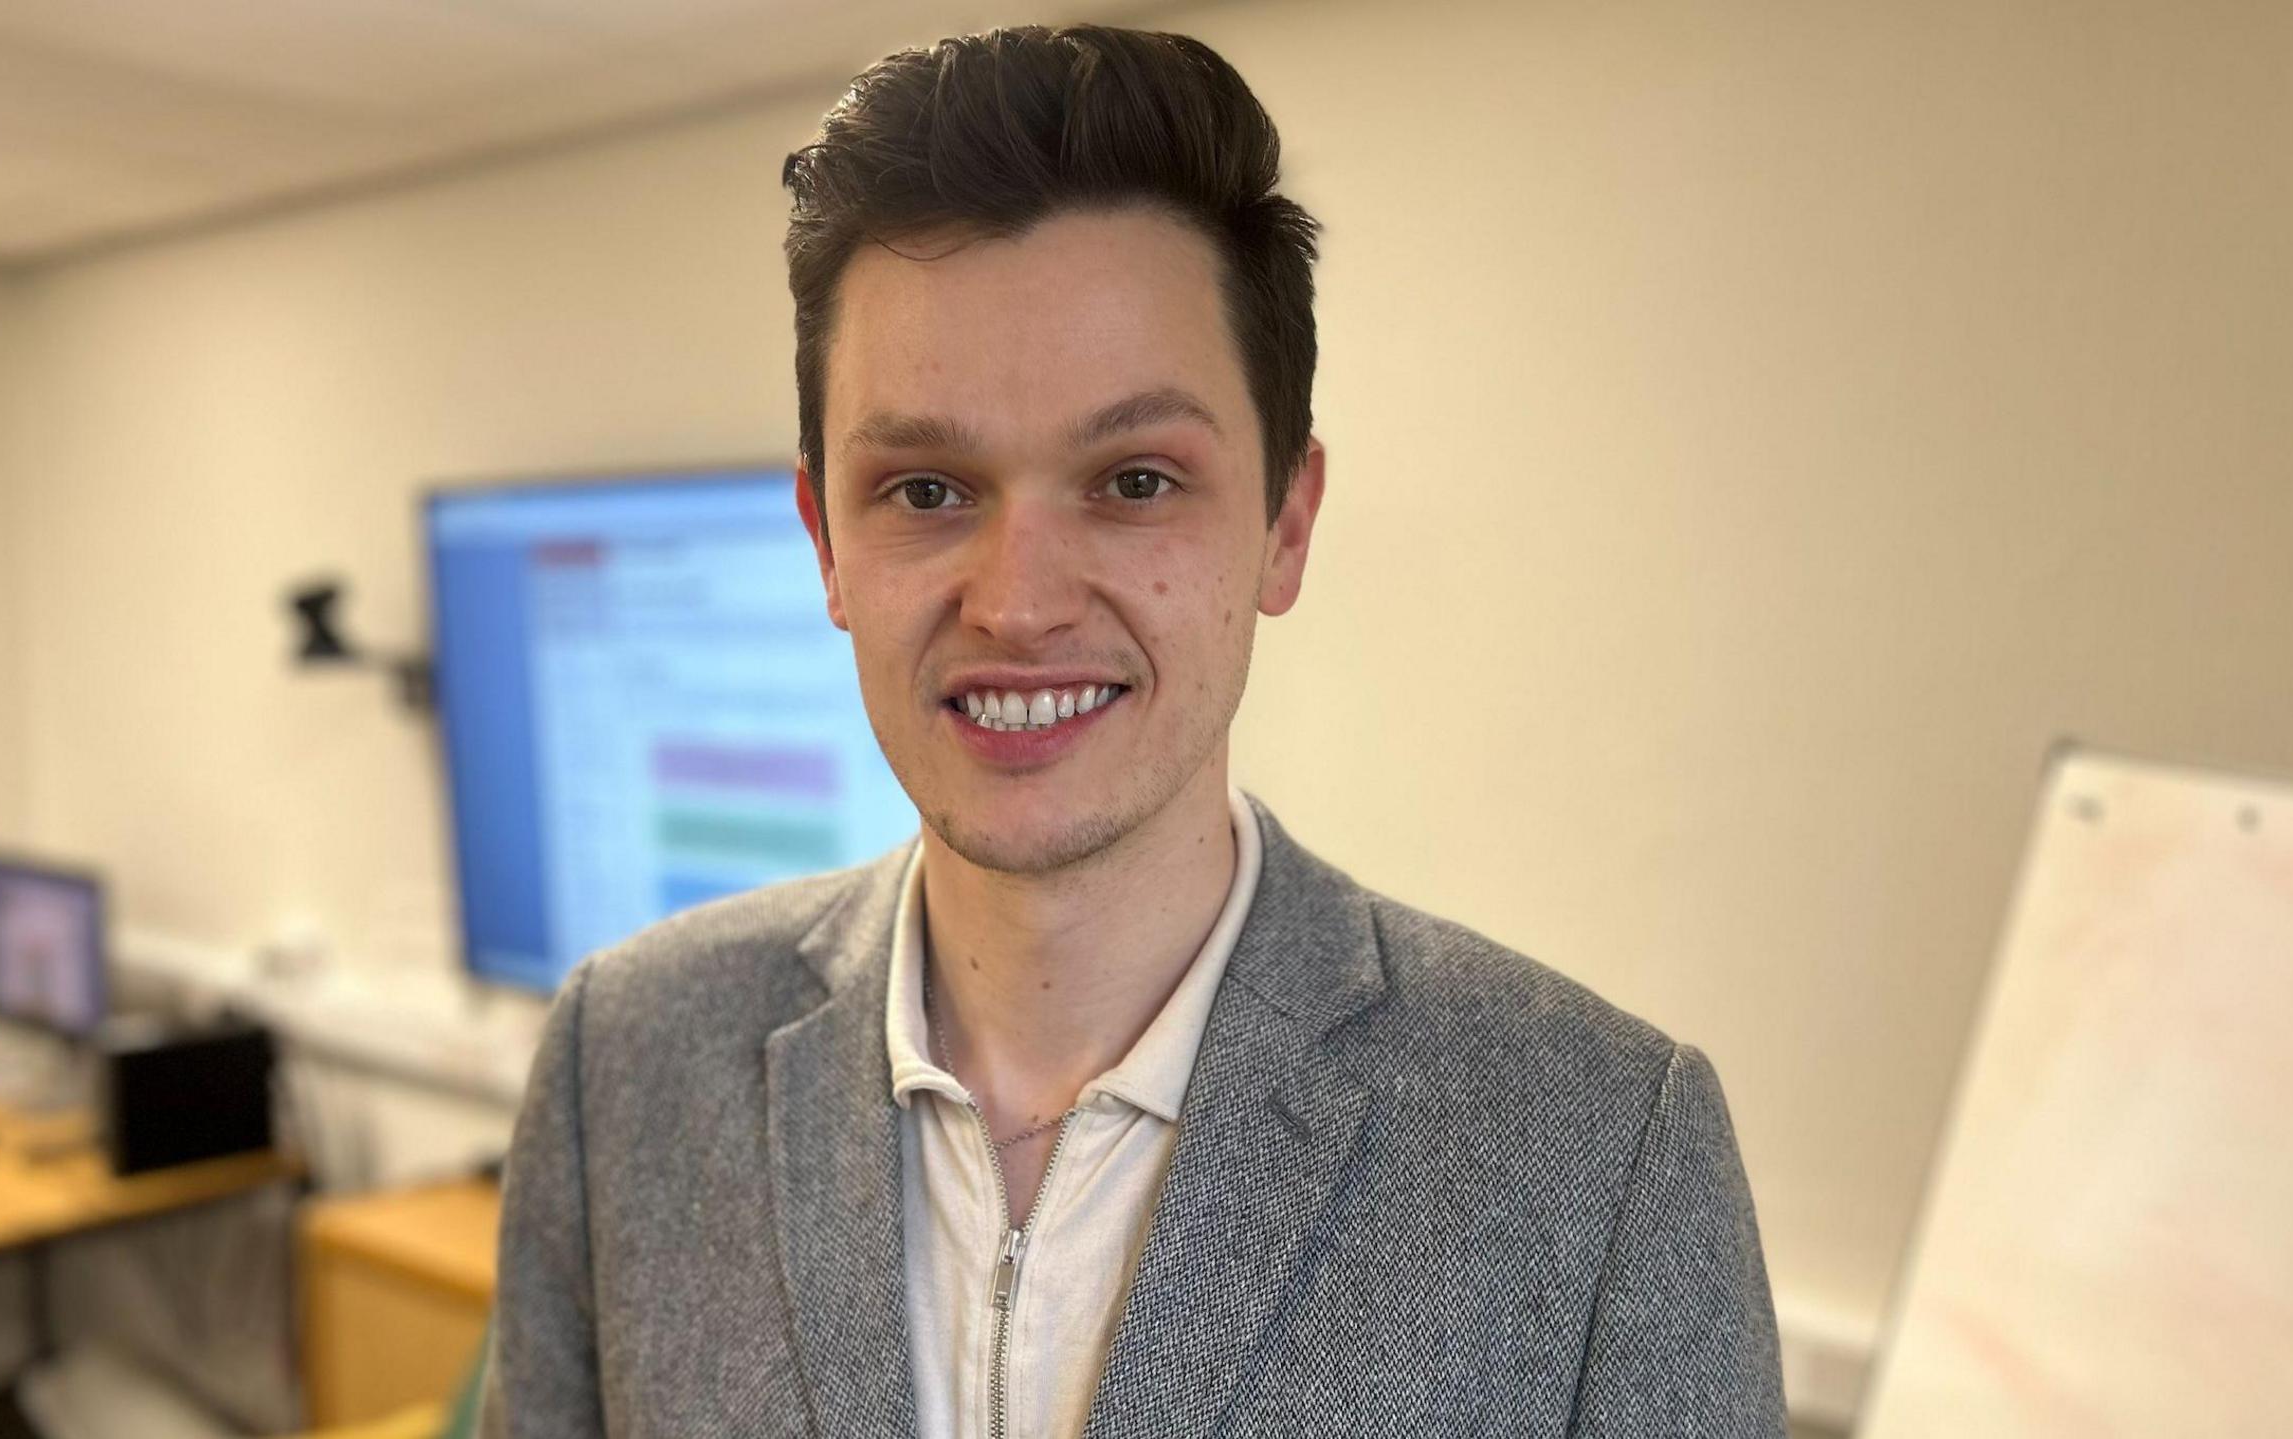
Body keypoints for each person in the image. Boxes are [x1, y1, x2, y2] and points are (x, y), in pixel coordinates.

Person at [479, 23, 1783, 1438]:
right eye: (925, 490)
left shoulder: (1597, 1152)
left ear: (1286, 525)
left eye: (1137, 479)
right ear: (825, 545)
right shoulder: (630, 1064)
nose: (1021, 603)